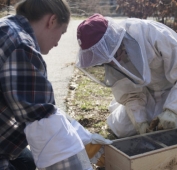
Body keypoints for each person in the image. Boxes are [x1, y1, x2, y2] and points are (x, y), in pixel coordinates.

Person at [0, 1, 111, 170]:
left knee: (27, 162)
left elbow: (41, 106)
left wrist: (83, 136)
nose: (58, 43)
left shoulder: (8, 27)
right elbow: (42, 119)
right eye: (62, 32)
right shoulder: (21, 46)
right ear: (52, 21)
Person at [75, 13, 177, 138]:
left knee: (173, 134)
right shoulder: (112, 60)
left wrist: (172, 110)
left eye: (109, 52)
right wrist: (140, 123)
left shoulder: (153, 34)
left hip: (173, 90)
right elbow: (131, 94)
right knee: (122, 128)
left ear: (114, 38)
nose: (111, 62)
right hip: (145, 92)